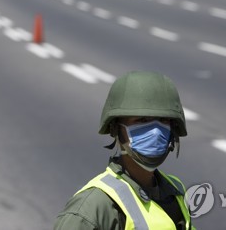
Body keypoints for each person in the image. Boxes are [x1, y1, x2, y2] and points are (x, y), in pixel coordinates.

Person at [54, 71, 195, 230]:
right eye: (143, 120)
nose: (155, 132)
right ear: (116, 128)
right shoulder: (92, 210)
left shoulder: (176, 192)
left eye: (163, 120)